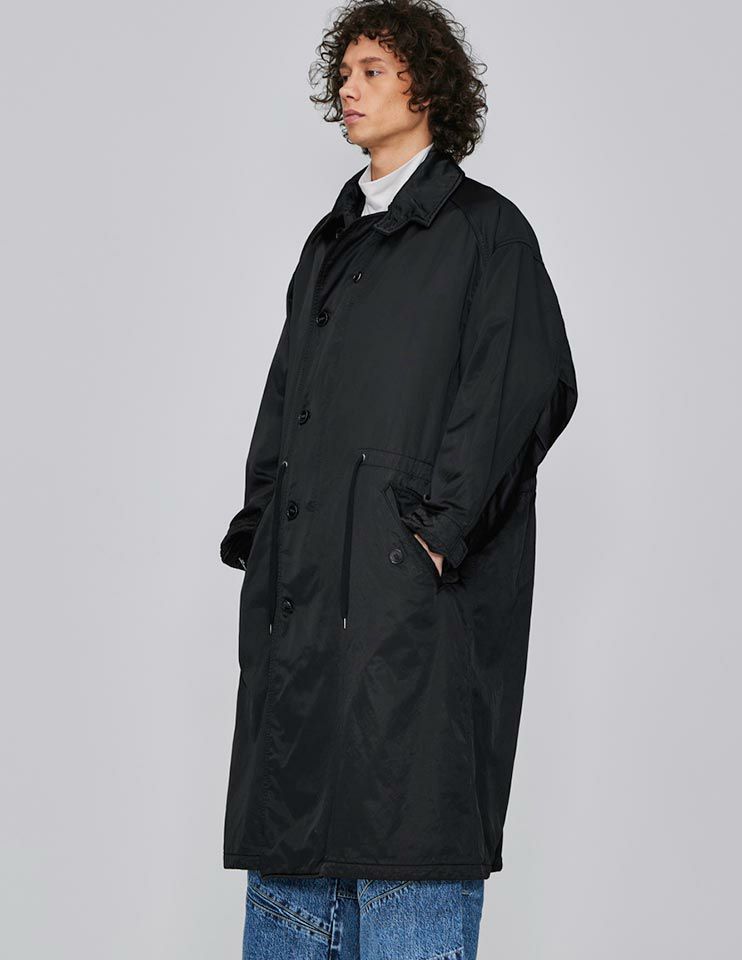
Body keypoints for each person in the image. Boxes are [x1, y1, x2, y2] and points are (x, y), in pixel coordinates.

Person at [219, 2, 579, 957]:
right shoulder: (331, 243)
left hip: (411, 618)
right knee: (293, 871)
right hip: (306, 624)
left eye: (372, 70)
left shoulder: (484, 232)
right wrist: (262, 528)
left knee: (406, 838)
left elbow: (526, 385)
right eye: (343, 72)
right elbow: (286, 399)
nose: (349, 87)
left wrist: (436, 534)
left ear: (427, 87)